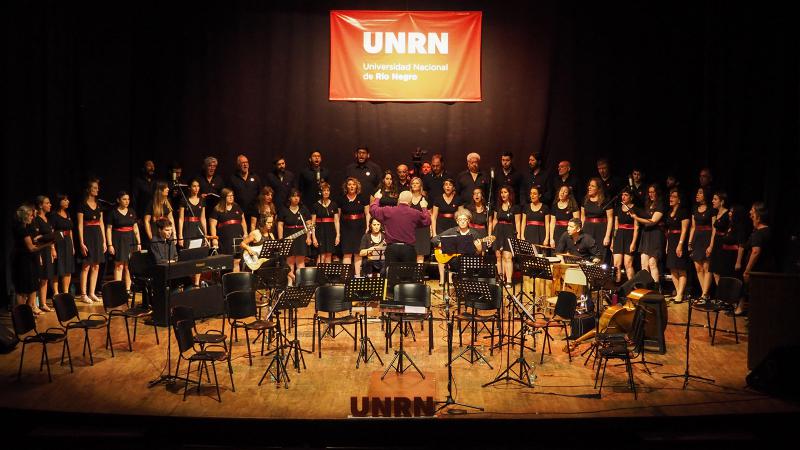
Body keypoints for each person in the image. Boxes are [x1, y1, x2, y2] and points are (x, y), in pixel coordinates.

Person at [369, 190, 431, 267]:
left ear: (398, 200)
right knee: (407, 277)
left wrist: (377, 198)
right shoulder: (415, 213)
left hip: (392, 249)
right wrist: (424, 207)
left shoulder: (388, 210)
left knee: (392, 276)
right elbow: (427, 221)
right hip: (408, 250)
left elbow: (372, 210)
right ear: (410, 202)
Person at [12, 204, 55, 315]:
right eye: (30, 216)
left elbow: (32, 241)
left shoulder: (26, 228)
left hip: (30, 260)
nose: (32, 218)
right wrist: (47, 244)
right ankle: (22, 314)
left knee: (32, 286)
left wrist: (39, 239)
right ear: (25, 216)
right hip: (23, 261)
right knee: (23, 288)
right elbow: (31, 248)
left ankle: (29, 310)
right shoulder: (21, 229)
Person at [738, 202, 776, 315]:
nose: (750, 214)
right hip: (767, 269)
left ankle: (756, 320)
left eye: (752, 212)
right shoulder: (768, 230)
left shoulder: (759, 233)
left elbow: (755, 252)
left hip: (758, 271)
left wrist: (747, 271)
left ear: (758, 216)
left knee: (756, 295)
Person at [77, 178, 107, 304]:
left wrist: (104, 241)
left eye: (97, 188)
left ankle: (92, 292)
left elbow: (101, 223)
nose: (97, 190)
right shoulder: (82, 205)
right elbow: (79, 225)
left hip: (98, 236)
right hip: (88, 235)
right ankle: (83, 294)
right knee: (86, 266)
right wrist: (81, 243)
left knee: (96, 265)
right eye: (94, 188)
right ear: (89, 189)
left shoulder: (99, 205)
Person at [630, 184, 665, 286]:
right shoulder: (647, 204)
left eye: (653, 192)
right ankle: (646, 287)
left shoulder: (660, 205)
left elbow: (652, 221)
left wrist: (636, 217)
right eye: (649, 192)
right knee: (644, 263)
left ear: (657, 193)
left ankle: (655, 288)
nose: (651, 194)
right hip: (646, 234)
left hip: (655, 234)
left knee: (652, 263)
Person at [106, 191, 141, 293]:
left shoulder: (131, 211)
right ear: (118, 200)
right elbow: (108, 229)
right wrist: (110, 244)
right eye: (124, 199)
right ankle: (118, 291)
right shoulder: (113, 212)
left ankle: (127, 289)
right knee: (119, 265)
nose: (127, 201)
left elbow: (135, 228)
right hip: (118, 240)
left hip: (131, 239)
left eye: (128, 199)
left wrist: (139, 242)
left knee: (128, 266)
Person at [708, 193, 745, 282]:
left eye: (715, 199)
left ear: (722, 201)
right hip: (721, 246)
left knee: (723, 273)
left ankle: (724, 293)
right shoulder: (718, 214)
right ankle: (721, 292)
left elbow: (741, 244)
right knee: (715, 271)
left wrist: (738, 262)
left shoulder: (737, 226)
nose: (730, 213)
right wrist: (711, 245)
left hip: (728, 251)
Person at [209, 188, 247, 272]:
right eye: (229, 196)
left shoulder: (237, 207)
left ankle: (236, 281)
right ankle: (227, 281)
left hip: (237, 238)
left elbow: (243, 220)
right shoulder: (217, 209)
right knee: (227, 261)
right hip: (225, 240)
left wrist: (245, 233)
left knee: (237, 261)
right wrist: (214, 239)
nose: (231, 197)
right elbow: (212, 225)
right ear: (223, 197)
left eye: (232, 195)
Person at [278, 188, 312, 281]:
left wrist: (309, 237)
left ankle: (301, 283)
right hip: (289, 236)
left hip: (301, 237)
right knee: (290, 261)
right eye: (294, 196)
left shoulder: (303, 209)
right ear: (289, 198)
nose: (296, 198)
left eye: (298, 196)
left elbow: (309, 225)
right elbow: (280, 224)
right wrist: (281, 239)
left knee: (301, 261)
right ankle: (290, 284)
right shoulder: (284, 209)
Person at [431, 178, 460, 285]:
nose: (448, 186)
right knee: (440, 252)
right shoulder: (438, 199)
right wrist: (434, 232)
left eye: (450, 185)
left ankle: (450, 278)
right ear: (443, 187)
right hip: (440, 227)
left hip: (453, 227)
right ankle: (442, 279)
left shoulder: (458, 199)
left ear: (453, 187)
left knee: (453, 253)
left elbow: (460, 216)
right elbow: (433, 217)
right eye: (446, 185)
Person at [339, 177, 370, 277]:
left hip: (359, 228)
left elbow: (367, 214)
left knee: (358, 253)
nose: (351, 186)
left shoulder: (362, 198)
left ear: (357, 186)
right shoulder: (342, 199)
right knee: (347, 253)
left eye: (353, 184)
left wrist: (368, 226)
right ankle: (346, 277)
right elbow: (338, 217)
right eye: (349, 184)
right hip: (346, 228)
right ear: (346, 187)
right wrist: (338, 232)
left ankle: (357, 276)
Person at [664, 189, 691, 303]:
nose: (671, 198)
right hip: (671, 240)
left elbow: (684, 230)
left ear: (679, 200)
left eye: (674, 197)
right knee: (672, 268)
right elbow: (668, 230)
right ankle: (678, 292)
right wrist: (667, 244)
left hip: (680, 241)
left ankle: (680, 294)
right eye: (670, 196)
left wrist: (680, 245)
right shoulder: (669, 212)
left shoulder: (683, 212)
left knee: (681, 268)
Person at [492, 185, 522, 284]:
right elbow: (495, 220)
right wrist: (492, 235)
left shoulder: (515, 207)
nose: (503, 194)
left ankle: (509, 280)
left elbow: (518, 222)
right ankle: (501, 279)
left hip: (509, 232)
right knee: (498, 256)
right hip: (498, 231)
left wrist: (518, 235)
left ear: (510, 193)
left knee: (508, 256)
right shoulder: (498, 206)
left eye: (505, 192)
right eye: (501, 192)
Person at [688, 187, 714, 300]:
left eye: (700, 193)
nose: (697, 194)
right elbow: (693, 227)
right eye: (697, 192)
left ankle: (704, 294)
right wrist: (690, 242)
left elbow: (714, 228)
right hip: (697, 239)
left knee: (706, 267)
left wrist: (711, 245)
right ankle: (705, 294)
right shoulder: (694, 208)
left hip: (707, 238)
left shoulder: (711, 209)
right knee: (698, 268)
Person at [581, 178, 614, 263]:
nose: (589, 187)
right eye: (589, 185)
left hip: (601, 230)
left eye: (592, 186)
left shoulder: (605, 201)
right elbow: (582, 217)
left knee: (599, 255)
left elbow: (610, 219)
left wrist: (607, 236)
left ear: (598, 189)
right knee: (586, 254)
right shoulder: (585, 200)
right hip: (587, 229)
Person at [33, 196, 57, 312]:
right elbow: (35, 240)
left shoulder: (47, 219)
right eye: (47, 203)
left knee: (46, 277)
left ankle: (43, 303)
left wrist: (52, 248)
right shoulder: (36, 219)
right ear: (41, 205)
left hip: (47, 250)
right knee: (39, 277)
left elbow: (52, 236)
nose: (50, 205)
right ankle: (34, 304)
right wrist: (45, 238)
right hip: (40, 251)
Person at [50, 193, 76, 296]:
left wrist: (73, 246)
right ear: (59, 202)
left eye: (67, 200)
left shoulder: (68, 214)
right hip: (58, 243)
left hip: (68, 242)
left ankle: (65, 292)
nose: (67, 202)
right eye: (65, 200)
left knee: (68, 268)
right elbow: (51, 232)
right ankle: (56, 293)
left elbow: (70, 231)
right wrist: (52, 248)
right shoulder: (53, 215)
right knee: (57, 268)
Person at [228, 154, 263, 232]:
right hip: (239, 212)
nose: (245, 164)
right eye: (243, 163)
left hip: (254, 213)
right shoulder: (233, 178)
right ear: (238, 165)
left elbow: (261, 194)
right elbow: (229, 195)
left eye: (246, 162)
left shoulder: (255, 177)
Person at [611, 188, 639, 283]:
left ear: (631, 197)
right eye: (622, 195)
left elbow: (636, 227)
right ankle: (617, 286)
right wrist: (613, 241)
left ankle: (632, 287)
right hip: (619, 236)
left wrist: (633, 243)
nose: (623, 197)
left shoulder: (634, 209)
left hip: (630, 237)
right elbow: (615, 227)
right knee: (616, 264)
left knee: (628, 264)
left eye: (626, 195)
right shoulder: (618, 208)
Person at [311, 182, 340, 264]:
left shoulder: (334, 204)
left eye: (328, 190)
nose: (326, 192)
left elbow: (336, 221)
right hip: (320, 232)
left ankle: (326, 276)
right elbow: (313, 223)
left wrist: (338, 235)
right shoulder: (315, 205)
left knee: (329, 255)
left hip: (330, 232)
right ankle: (319, 275)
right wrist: (313, 237)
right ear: (321, 192)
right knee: (321, 255)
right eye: (324, 190)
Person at [178, 179, 207, 248]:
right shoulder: (184, 200)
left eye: (198, 186)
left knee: (200, 249)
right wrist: (180, 235)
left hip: (198, 227)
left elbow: (203, 218)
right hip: (188, 227)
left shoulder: (202, 200)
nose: (196, 188)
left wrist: (205, 234)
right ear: (189, 188)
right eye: (194, 186)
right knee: (189, 249)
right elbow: (181, 219)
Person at [408, 177, 431, 264]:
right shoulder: (407, 198)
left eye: (417, 183)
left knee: (420, 253)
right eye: (413, 183)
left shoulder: (425, 198)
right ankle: (411, 275)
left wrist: (431, 229)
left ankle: (418, 275)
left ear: (421, 185)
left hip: (422, 229)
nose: (414, 184)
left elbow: (429, 215)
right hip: (410, 229)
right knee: (410, 252)